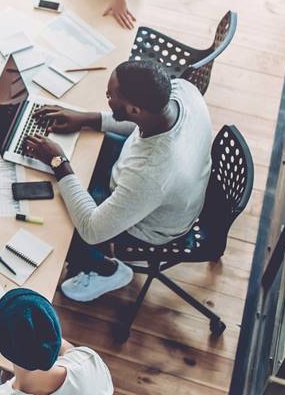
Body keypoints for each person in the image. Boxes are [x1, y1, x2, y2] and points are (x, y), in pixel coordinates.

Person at [23, 59, 212, 303]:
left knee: (59, 223)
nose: (107, 97)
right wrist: (86, 119)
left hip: (152, 225)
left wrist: (58, 161)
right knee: (79, 165)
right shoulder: (182, 91)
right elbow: (139, 125)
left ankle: (108, 270)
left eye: (111, 96)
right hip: (155, 180)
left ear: (134, 110)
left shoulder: (152, 173)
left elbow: (93, 230)